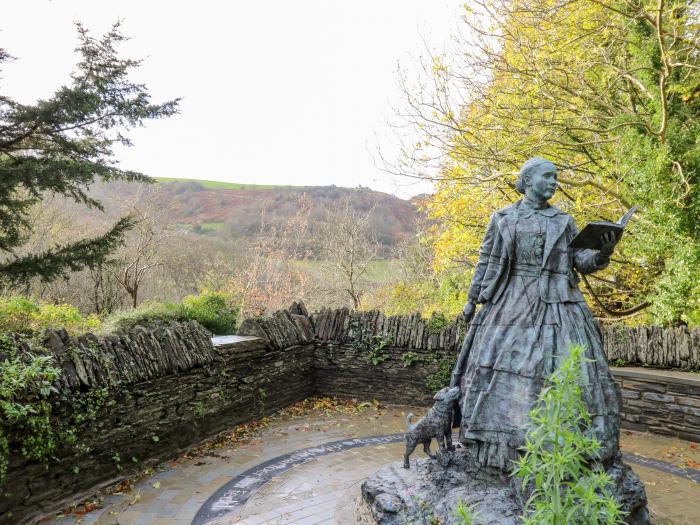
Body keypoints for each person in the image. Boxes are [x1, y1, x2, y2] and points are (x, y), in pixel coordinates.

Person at [450, 157, 622, 470]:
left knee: (567, 370)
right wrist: (472, 299)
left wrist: (604, 253)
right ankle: (498, 450)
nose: (554, 182)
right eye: (548, 176)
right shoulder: (503, 217)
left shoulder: (564, 220)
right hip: (511, 300)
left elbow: (580, 261)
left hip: (560, 304)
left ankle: (566, 450)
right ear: (528, 180)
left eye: (556, 176)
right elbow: (487, 261)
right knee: (503, 369)